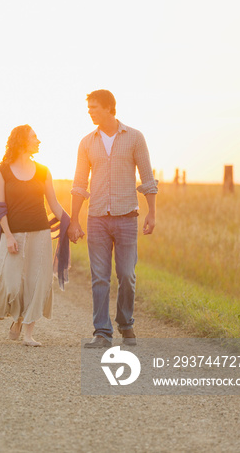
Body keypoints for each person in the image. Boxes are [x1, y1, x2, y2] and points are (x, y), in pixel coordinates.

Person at [68, 90, 158, 348]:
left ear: (109, 108)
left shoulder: (134, 138)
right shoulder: (86, 142)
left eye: (94, 107)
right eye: (89, 107)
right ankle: (102, 333)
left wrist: (152, 212)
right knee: (100, 278)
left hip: (127, 217)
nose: (89, 111)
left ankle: (126, 323)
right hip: (96, 219)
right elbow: (78, 183)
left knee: (127, 275)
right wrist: (74, 220)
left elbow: (147, 178)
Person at [0, 125, 68, 347]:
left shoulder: (43, 170)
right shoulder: (2, 170)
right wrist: (9, 236)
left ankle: (29, 333)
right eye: (34, 137)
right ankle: (18, 319)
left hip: (40, 233)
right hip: (13, 234)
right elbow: (0, 208)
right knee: (14, 285)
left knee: (37, 282)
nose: (38, 141)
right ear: (22, 140)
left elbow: (54, 204)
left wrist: (71, 222)